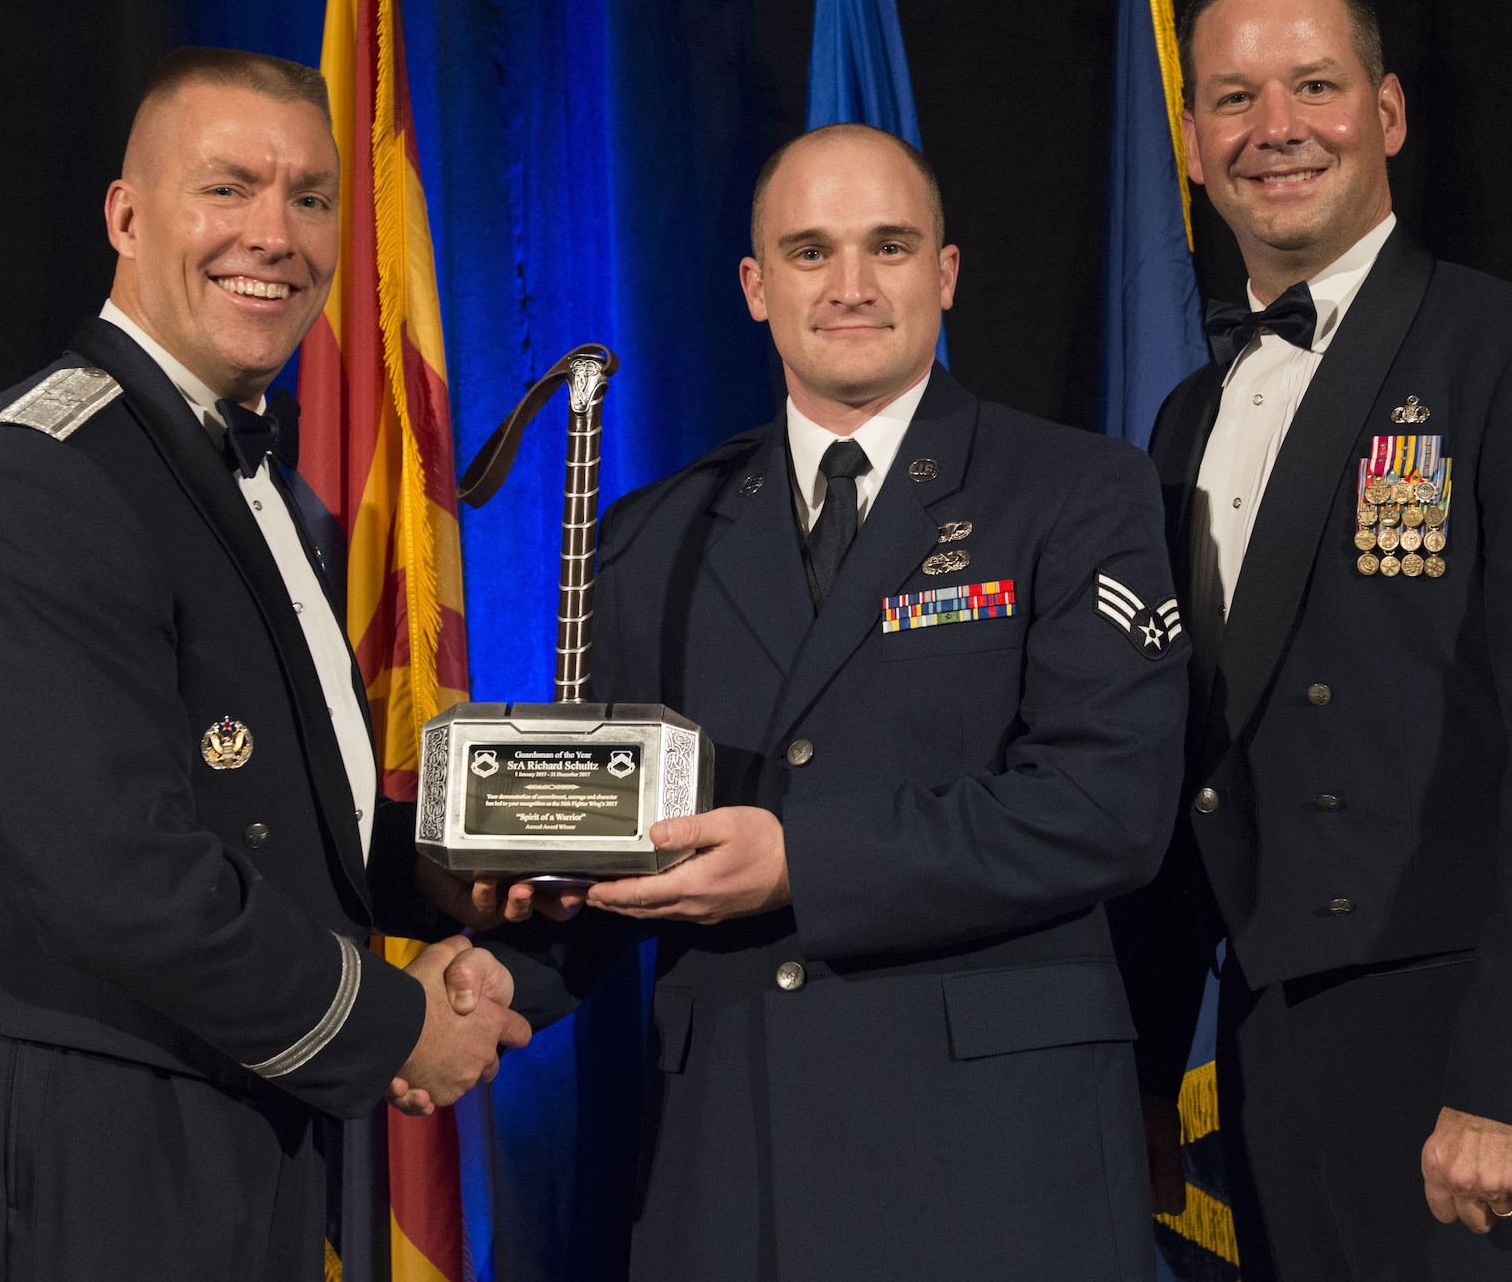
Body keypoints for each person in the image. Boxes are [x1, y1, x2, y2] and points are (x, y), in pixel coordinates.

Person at [0, 48, 531, 1281]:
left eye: (311, 197)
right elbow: (117, 869)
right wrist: (397, 1027)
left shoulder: (268, 488)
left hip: (224, 1110)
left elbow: (261, 801)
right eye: (227, 188)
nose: (273, 235)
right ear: (126, 215)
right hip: (73, 1139)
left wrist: (441, 875)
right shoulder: (31, 474)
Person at [483, 122, 1191, 1280]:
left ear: (946, 274)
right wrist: (491, 976)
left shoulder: (1073, 491)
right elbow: (615, 839)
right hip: (736, 1160)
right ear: (757, 288)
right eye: (809, 253)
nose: (850, 286)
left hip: (996, 1162)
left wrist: (800, 859)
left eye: (890, 247)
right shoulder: (651, 535)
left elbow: (1104, 803)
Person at [1118, 0, 1512, 1280]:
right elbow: (1182, 769)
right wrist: (1154, 1065)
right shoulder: (1183, 421)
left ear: (1386, 115)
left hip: (1478, 1055)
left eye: (1314, 85)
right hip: (1275, 1063)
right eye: (1235, 97)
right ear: (1193, 143)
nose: (1277, 128)